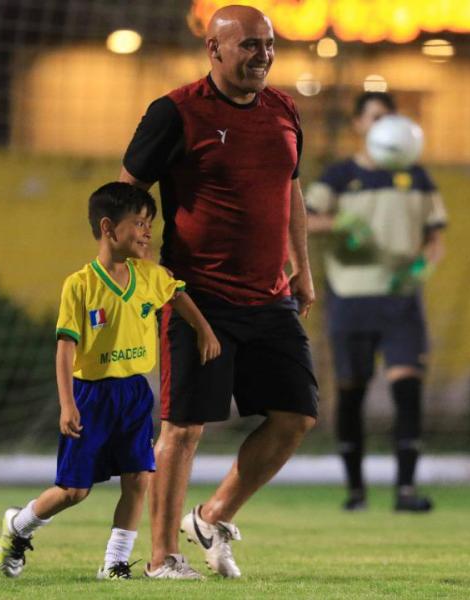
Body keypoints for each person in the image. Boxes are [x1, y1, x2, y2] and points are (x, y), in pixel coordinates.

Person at [119, 4, 318, 580]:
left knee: (296, 416)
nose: (263, 55)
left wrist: (302, 267)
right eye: (249, 45)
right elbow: (127, 192)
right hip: (197, 295)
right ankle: (163, 560)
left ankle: (212, 515)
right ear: (215, 50)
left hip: (269, 295)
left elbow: (292, 191)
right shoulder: (175, 112)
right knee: (183, 428)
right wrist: (144, 264)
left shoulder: (284, 110)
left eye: (269, 44)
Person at [0, 182, 220, 580]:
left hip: (133, 394)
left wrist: (204, 330)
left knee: (139, 478)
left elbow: (178, 295)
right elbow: (65, 349)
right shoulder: (80, 286)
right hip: (90, 396)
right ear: (108, 228)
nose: (147, 231)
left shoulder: (149, 276)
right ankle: (19, 525)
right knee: (74, 491)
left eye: (150, 223)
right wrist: (68, 404)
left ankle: (115, 562)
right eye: (138, 222)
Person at [306, 91, 448, 513]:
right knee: (351, 392)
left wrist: (424, 266)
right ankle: (356, 491)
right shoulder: (338, 176)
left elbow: (435, 238)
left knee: (408, 387)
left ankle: (405, 491)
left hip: (400, 299)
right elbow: (301, 218)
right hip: (351, 298)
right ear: (358, 124)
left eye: (390, 117)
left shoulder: (417, 177)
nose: (384, 124)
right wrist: (337, 222)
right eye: (375, 117)